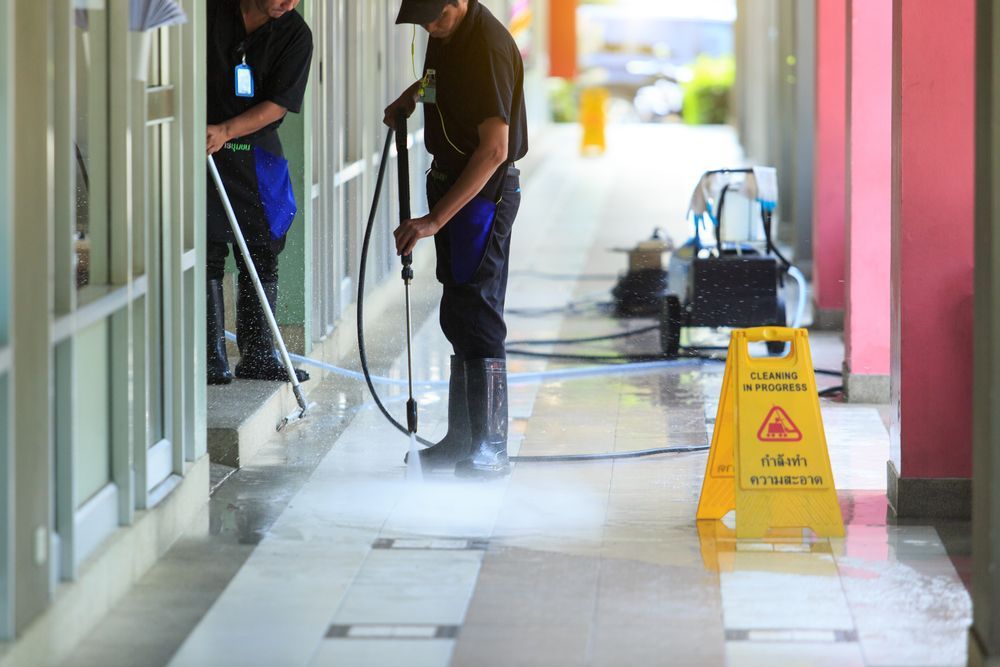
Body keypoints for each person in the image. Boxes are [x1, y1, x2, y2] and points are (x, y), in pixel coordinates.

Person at [386, 0, 528, 478]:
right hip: (451, 182)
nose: (429, 26)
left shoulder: (485, 45)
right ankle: (462, 439)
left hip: (483, 194)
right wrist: (412, 96)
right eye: (422, 19)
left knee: (480, 314)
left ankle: (493, 446)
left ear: (459, 2)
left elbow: (494, 149)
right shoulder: (447, 34)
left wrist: (434, 220)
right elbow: (440, 84)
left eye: (435, 16)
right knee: (458, 313)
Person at [205, 0, 312, 385]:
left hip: (255, 148)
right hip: (201, 145)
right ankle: (209, 356)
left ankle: (259, 354)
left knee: (264, 246)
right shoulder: (211, 11)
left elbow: (279, 104)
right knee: (207, 249)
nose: (289, 3)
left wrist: (226, 132)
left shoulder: (296, 34)